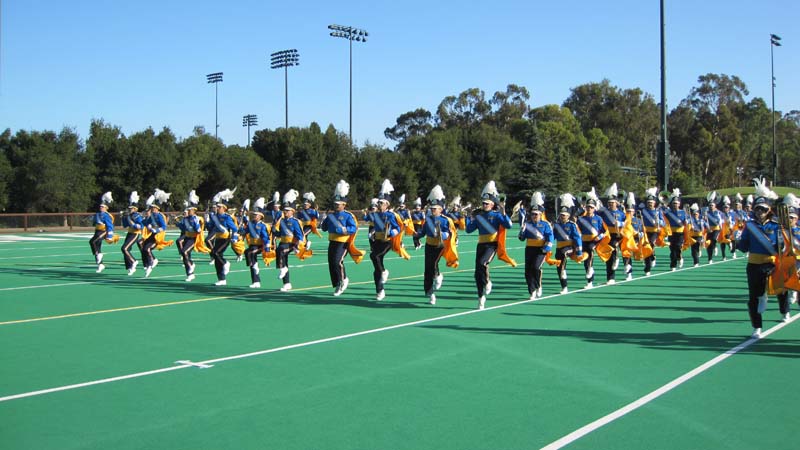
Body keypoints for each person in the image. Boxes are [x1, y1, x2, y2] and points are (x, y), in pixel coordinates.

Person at [736, 179, 790, 338]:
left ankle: (784, 310)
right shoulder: (750, 226)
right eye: (757, 209)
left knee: (781, 290)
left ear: (769, 210)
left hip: (773, 264)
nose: (760, 212)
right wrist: (737, 240)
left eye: (763, 209)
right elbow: (744, 247)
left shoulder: (776, 225)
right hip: (754, 265)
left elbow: (783, 245)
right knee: (753, 297)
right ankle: (757, 326)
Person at [465, 180, 515, 309]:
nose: (485, 205)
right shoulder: (479, 216)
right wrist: (469, 217)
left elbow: (508, 225)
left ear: (493, 204)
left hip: (492, 245)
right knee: (477, 273)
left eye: (487, 203)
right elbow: (469, 229)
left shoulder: (496, 215)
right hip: (481, 245)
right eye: (483, 203)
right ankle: (481, 296)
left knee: (483, 263)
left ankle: (487, 282)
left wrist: (503, 211)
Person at [320, 180, 362, 296]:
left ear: (344, 204)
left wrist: (342, 230)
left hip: (343, 242)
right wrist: (323, 220)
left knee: (337, 261)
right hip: (332, 241)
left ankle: (344, 280)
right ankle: (337, 283)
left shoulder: (348, 215)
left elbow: (353, 228)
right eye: (335, 204)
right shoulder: (331, 215)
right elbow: (324, 228)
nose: (336, 205)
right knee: (331, 263)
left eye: (338, 204)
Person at [417, 185, 457, 305]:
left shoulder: (446, 220)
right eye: (432, 208)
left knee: (433, 264)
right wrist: (416, 235)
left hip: (440, 245)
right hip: (429, 245)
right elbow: (423, 232)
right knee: (428, 268)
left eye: (435, 208)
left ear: (440, 209)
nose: (433, 210)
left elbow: (451, 233)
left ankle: (438, 275)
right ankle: (430, 293)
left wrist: (443, 234)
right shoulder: (427, 219)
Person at [367, 180, 405, 301]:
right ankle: (380, 290)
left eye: (381, 203)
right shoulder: (376, 214)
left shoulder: (391, 215)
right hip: (377, 240)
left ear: (387, 204)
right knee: (375, 267)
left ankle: (384, 271)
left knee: (375, 256)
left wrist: (391, 232)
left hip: (387, 241)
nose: (379, 204)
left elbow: (397, 227)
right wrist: (372, 233)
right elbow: (375, 226)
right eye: (379, 202)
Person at [518, 192, 554, 300]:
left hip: (541, 249)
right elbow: (521, 238)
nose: (534, 216)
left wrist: (546, 248)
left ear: (540, 214)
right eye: (533, 214)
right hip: (529, 249)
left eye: (536, 214)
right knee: (527, 271)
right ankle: (532, 291)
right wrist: (522, 231)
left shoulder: (545, 224)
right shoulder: (527, 224)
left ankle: (538, 286)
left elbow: (550, 237)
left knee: (536, 267)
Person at [273, 190, 305, 292]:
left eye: (287, 210)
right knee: (284, 259)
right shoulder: (282, 221)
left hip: (292, 243)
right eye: (284, 210)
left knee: (280, 250)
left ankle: (282, 269)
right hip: (283, 242)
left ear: (292, 211)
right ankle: (287, 284)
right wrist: (274, 231)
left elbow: (300, 236)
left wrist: (296, 246)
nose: (285, 212)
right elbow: (280, 234)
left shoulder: (295, 221)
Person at [208, 189, 239, 286]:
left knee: (215, 253)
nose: (217, 208)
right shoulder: (214, 216)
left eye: (219, 207)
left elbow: (234, 228)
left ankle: (226, 263)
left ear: (224, 208)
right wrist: (207, 221)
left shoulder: (226, 217)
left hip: (225, 238)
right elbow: (210, 227)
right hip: (218, 238)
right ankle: (221, 279)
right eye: (217, 207)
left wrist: (234, 238)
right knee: (217, 257)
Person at [553, 194, 583, 294]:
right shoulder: (556, 225)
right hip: (559, 247)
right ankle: (564, 285)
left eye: (564, 215)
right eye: (561, 215)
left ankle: (564, 285)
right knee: (559, 265)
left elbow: (577, 238)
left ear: (568, 216)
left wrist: (579, 252)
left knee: (563, 256)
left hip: (569, 247)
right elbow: (553, 236)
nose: (562, 217)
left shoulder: (572, 225)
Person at [577, 189, 606, 289]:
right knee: (585, 259)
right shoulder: (581, 219)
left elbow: (604, 231)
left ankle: (590, 269)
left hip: (595, 240)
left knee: (590, 250)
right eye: (588, 207)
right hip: (584, 240)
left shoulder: (598, 218)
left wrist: (599, 237)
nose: (589, 209)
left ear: (594, 209)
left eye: (591, 207)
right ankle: (590, 282)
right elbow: (577, 229)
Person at [598, 183, 626, 285]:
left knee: (613, 247)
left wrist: (620, 223)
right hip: (607, 235)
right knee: (608, 256)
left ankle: (617, 258)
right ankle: (610, 277)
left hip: (618, 235)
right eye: (609, 203)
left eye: (613, 203)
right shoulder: (604, 212)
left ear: (616, 203)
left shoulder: (621, 213)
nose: (611, 204)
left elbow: (627, 223)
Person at [241, 197, 272, 289]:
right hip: (252, 245)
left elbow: (265, 237)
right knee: (250, 256)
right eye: (254, 214)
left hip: (260, 246)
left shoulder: (262, 226)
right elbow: (245, 231)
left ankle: (253, 265)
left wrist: (267, 247)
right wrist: (241, 230)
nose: (254, 216)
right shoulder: (250, 223)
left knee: (248, 253)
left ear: (261, 216)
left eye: (256, 215)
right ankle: (256, 281)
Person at [141, 190, 171, 278]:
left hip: (159, 235)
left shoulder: (160, 216)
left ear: (157, 209)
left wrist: (156, 230)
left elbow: (164, 227)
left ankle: (150, 264)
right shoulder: (152, 216)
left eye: (154, 208)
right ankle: (150, 262)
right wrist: (144, 219)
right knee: (144, 248)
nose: (152, 209)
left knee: (147, 248)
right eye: (152, 208)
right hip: (153, 234)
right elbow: (146, 223)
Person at [176, 190, 205, 282]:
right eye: (188, 210)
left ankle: (190, 267)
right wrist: (177, 222)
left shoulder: (196, 218)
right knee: (186, 255)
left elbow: (198, 229)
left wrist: (197, 226)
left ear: (194, 210)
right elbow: (183, 228)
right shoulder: (186, 219)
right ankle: (190, 273)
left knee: (184, 252)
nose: (188, 211)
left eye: (190, 210)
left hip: (194, 238)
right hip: (188, 237)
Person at [640, 188, 664, 276]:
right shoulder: (643, 211)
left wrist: (659, 222)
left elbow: (663, 223)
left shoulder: (658, 211)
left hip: (654, 231)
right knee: (646, 247)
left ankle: (651, 259)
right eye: (649, 202)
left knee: (651, 243)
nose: (650, 204)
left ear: (654, 203)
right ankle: (648, 266)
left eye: (652, 202)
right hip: (645, 231)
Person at [663, 189, 688, 272]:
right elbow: (662, 214)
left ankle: (680, 258)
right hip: (671, 233)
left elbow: (686, 222)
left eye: (676, 203)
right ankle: (673, 265)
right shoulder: (668, 212)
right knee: (672, 249)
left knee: (678, 247)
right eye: (673, 203)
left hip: (680, 233)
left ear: (679, 204)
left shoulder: (683, 212)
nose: (675, 205)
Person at [90, 192, 115, 273]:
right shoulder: (97, 214)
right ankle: (100, 264)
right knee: (97, 245)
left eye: (102, 207)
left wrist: (109, 235)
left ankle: (98, 255)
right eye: (100, 206)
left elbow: (110, 225)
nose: (101, 208)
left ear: (106, 208)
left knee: (92, 241)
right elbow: (95, 221)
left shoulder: (107, 215)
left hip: (103, 231)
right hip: (97, 231)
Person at [120, 191, 143, 276]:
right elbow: (125, 226)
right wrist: (123, 217)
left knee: (124, 248)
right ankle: (130, 267)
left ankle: (134, 261)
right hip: (129, 233)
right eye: (129, 209)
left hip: (135, 234)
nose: (129, 210)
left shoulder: (137, 215)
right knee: (126, 250)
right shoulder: (129, 215)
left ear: (135, 209)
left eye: (131, 209)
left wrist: (134, 224)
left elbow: (141, 225)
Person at [705, 192, 723, 263]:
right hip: (709, 229)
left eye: (712, 205)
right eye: (710, 205)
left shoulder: (718, 212)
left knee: (713, 239)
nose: (711, 206)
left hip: (716, 228)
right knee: (708, 244)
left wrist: (721, 227)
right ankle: (710, 258)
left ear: (715, 206)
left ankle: (715, 246)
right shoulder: (706, 212)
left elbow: (720, 220)